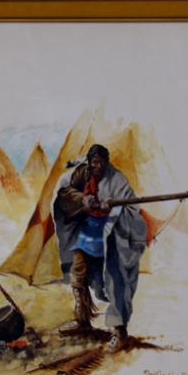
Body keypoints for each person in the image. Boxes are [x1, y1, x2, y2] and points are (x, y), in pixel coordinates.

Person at [53, 144, 147, 351]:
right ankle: (82, 320)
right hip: (87, 233)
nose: (98, 167)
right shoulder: (82, 173)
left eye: (101, 163)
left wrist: (113, 209)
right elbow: (64, 192)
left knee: (115, 280)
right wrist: (82, 198)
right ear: (89, 162)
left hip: (111, 236)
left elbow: (132, 208)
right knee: (78, 275)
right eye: (94, 162)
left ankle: (119, 332)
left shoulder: (117, 180)